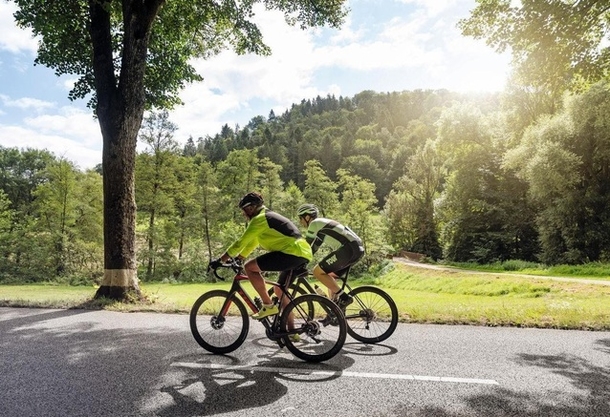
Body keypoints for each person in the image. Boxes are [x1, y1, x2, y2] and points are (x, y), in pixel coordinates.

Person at [211, 192, 312, 323]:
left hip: (291, 252)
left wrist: (221, 260)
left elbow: (240, 242)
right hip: (301, 253)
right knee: (280, 291)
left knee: (250, 267)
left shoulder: (260, 219)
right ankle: (291, 332)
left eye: (244, 210)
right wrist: (240, 257)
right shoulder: (265, 218)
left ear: (251, 207)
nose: (243, 214)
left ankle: (268, 305)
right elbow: (253, 242)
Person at [296, 203, 365, 308]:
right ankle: (334, 312)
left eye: (300, 218)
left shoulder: (314, 224)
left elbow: (307, 245)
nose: (300, 222)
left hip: (348, 249)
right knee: (330, 277)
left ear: (307, 217)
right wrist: (305, 261)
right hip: (356, 249)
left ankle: (344, 297)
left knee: (317, 271)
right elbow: (313, 249)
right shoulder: (321, 227)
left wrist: (296, 261)